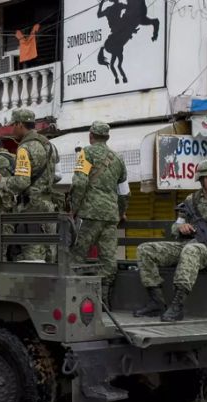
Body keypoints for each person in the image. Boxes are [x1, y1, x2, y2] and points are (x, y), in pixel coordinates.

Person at [133, 159, 207, 322]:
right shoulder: (191, 200)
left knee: (191, 251)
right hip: (190, 244)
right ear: (201, 179)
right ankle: (156, 301)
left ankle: (177, 305)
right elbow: (176, 226)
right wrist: (182, 228)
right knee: (145, 249)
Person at [0, 108, 61, 262]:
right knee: (49, 253)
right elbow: (56, 176)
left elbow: (22, 181)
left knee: (32, 255)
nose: (12, 129)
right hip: (49, 205)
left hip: (32, 208)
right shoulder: (50, 145)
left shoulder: (24, 148)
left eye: (13, 125)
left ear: (20, 124)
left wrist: (1, 180)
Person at [69, 121, 129, 307]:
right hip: (110, 216)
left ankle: (75, 298)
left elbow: (79, 184)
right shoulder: (118, 158)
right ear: (108, 137)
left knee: (77, 255)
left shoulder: (85, 153)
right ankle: (104, 300)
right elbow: (124, 192)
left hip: (89, 214)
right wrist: (120, 212)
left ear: (91, 135)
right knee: (108, 258)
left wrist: (74, 208)